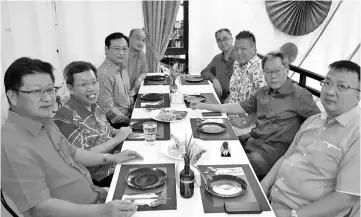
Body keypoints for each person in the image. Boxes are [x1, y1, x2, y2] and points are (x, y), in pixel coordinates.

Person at [2, 57, 142, 217]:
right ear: (13, 96)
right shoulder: (12, 144)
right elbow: (39, 207)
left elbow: (74, 153)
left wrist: (112, 159)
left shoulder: (45, 122)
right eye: (36, 91)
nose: (48, 98)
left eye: (50, 89)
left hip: (95, 197)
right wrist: (102, 210)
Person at [191, 51, 320, 177]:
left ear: (287, 69)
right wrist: (203, 106)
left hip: (270, 155)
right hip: (252, 141)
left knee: (222, 166)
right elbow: (237, 107)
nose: (273, 76)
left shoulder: (300, 95)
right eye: (268, 72)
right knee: (213, 144)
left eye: (277, 71)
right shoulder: (263, 92)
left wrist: (298, 153)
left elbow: (319, 124)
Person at [261, 60, 360, 217]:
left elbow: (346, 198)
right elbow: (287, 156)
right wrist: (263, 186)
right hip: (274, 202)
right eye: (327, 83)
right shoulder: (314, 121)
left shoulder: (356, 133)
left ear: (358, 94)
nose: (330, 91)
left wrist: (293, 214)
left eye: (342, 86)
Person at [54, 61, 133, 187]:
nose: (91, 88)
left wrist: (118, 132)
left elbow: (107, 129)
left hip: (118, 159)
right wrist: (118, 139)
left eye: (94, 82)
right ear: (70, 88)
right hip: (100, 178)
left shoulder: (94, 105)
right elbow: (84, 157)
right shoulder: (65, 118)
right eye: (84, 84)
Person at [227, 30, 266, 128]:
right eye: (236, 49)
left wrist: (245, 122)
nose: (238, 53)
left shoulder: (260, 70)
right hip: (230, 117)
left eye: (243, 49)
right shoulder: (237, 64)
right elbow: (235, 91)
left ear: (254, 50)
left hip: (248, 126)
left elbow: (267, 104)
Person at [97, 32, 134, 128]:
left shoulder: (122, 67)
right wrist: (131, 121)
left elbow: (128, 93)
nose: (121, 53)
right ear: (106, 49)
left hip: (128, 116)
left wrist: (134, 110)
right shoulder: (103, 74)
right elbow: (108, 110)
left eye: (124, 49)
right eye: (116, 49)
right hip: (116, 124)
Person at [200, 28, 235, 103]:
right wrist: (214, 80)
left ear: (232, 39)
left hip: (236, 100)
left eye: (225, 39)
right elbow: (205, 72)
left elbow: (243, 86)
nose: (222, 43)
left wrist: (226, 103)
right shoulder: (217, 58)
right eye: (219, 40)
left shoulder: (240, 58)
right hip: (220, 97)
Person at [128, 28, 149, 94]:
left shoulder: (141, 53)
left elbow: (144, 72)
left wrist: (139, 79)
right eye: (138, 38)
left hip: (134, 91)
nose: (141, 43)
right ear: (130, 38)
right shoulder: (122, 55)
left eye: (143, 40)